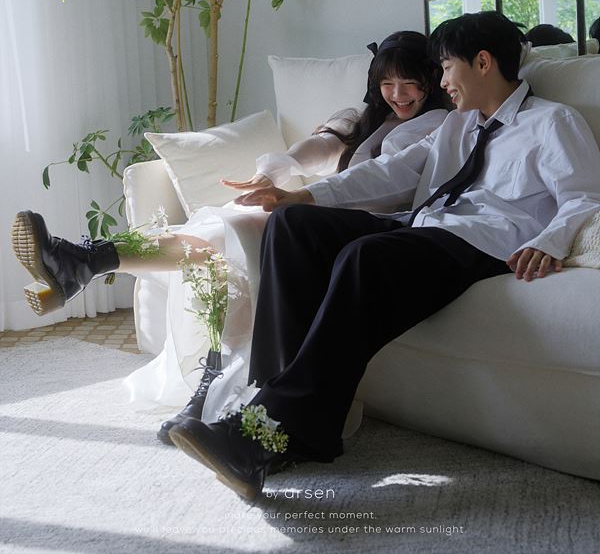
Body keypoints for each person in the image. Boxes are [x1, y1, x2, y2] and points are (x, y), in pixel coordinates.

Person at [157, 10, 600, 503]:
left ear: (482, 62)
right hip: (426, 226)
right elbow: (395, 169)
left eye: (446, 68)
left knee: (365, 258)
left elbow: (584, 195)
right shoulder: (458, 125)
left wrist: (550, 240)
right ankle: (270, 409)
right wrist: (305, 195)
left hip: (482, 242)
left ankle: (264, 433)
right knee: (292, 225)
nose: (442, 82)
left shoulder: (552, 121)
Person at [10, 31, 449, 438]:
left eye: (408, 83)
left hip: (354, 224)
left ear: (431, 80)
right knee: (220, 231)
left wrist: (303, 195)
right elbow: (318, 148)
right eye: (387, 83)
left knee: (232, 232)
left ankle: (90, 265)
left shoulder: (440, 126)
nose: (398, 94)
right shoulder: (364, 118)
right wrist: (273, 172)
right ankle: (199, 380)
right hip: (315, 209)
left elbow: (384, 177)